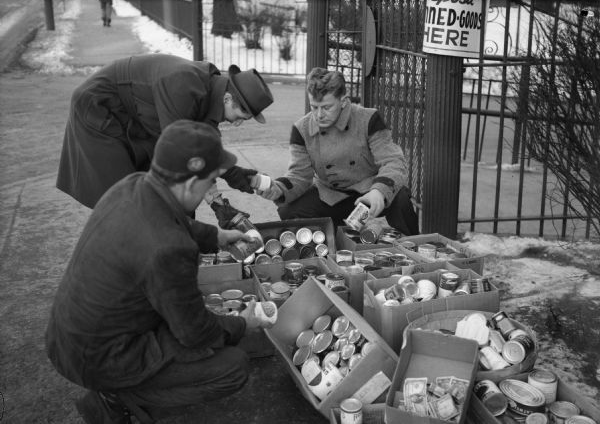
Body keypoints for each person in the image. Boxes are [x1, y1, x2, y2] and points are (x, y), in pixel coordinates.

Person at [46, 120, 273, 424]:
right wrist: (243, 323)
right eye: (210, 181)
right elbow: (195, 334)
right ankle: (117, 397)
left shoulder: (133, 184)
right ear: (192, 182)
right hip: (101, 358)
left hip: (69, 339)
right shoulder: (169, 249)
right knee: (233, 366)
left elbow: (167, 219)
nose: (210, 189)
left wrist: (216, 237)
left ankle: (120, 388)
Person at [56, 53, 273, 227]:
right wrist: (220, 196)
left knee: (170, 194)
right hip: (100, 107)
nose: (236, 124)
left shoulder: (212, 92)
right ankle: (133, 262)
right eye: (240, 117)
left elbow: (202, 149)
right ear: (228, 99)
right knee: (127, 200)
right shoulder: (184, 85)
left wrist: (228, 184)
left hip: (133, 117)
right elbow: (181, 152)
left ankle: (181, 249)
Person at [257, 67, 419, 236]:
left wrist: (378, 191)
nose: (319, 115)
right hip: (330, 196)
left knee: (399, 197)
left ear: (343, 101)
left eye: (326, 107)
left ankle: (413, 246)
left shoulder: (368, 119)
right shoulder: (302, 129)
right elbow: (299, 175)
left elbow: (393, 161)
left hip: (368, 193)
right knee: (289, 210)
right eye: (314, 107)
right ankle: (328, 246)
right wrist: (278, 189)